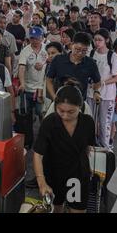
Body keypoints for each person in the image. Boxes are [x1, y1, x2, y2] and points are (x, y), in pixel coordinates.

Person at [33, 85, 95, 213]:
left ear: (80, 106)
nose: (65, 116)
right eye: (61, 110)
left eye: (71, 112)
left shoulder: (88, 122)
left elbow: (87, 147)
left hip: (77, 174)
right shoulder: (49, 122)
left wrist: (88, 166)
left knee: (77, 209)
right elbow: (38, 154)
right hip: (53, 173)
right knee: (55, 208)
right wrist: (41, 181)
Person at [87, 29, 117, 150]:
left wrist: (102, 83)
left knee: (104, 123)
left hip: (107, 95)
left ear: (106, 40)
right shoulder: (91, 54)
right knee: (90, 121)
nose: (97, 42)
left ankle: (106, 149)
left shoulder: (112, 55)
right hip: (91, 93)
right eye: (95, 40)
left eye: (100, 40)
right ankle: (90, 148)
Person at [46, 32, 101, 102]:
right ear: (72, 44)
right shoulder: (58, 60)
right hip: (60, 101)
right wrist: (54, 97)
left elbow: (97, 82)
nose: (80, 53)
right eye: (77, 49)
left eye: (84, 51)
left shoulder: (90, 63)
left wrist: (96, 91)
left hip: (79, 103)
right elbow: (49, 80)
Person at [18, 27, 48, 142]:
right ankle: (28, 140)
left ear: (42, 38)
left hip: (42, 89)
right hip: (28, 89)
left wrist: (44, 63)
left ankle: (43, 138)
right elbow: (21, 67)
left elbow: (52, 59)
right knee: (27, 116)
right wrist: (22, 83)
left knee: (42, 114)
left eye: (37, 38)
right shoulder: (25, 50)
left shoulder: (47, 49)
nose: (34, 41)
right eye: (32, 38)